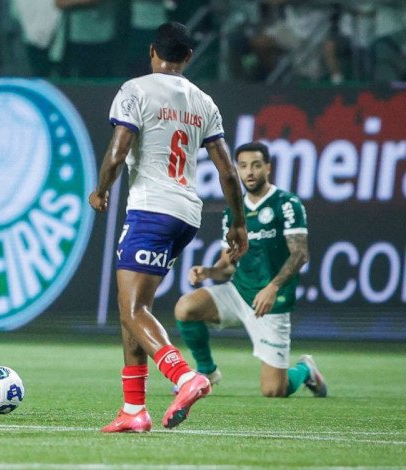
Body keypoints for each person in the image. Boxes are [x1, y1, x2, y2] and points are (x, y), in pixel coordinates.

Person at [88, 22, 249, 433]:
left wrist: (101, 189)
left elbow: (119, 150)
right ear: (188, 57)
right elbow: (229, 172)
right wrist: (238, 224)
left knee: (133, 310)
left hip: (150, 210)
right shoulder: (203, 101)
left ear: (151, 51)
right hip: (185, 215)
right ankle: (132, 410)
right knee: (133, 309)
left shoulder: (136, 90)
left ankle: (184, 377)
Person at [174, 142, 327, 399]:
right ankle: (207, 371)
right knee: (186, 308)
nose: (250, 172)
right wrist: (208, 272)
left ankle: (305, 369)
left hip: (271, 302)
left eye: (256, 165)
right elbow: (228, 267)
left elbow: (300, 254)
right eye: (243, 166)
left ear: (268, 167)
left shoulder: (286, 204)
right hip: (239, 292)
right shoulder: (234, 212)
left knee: (274, 390)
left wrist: (272, 287)